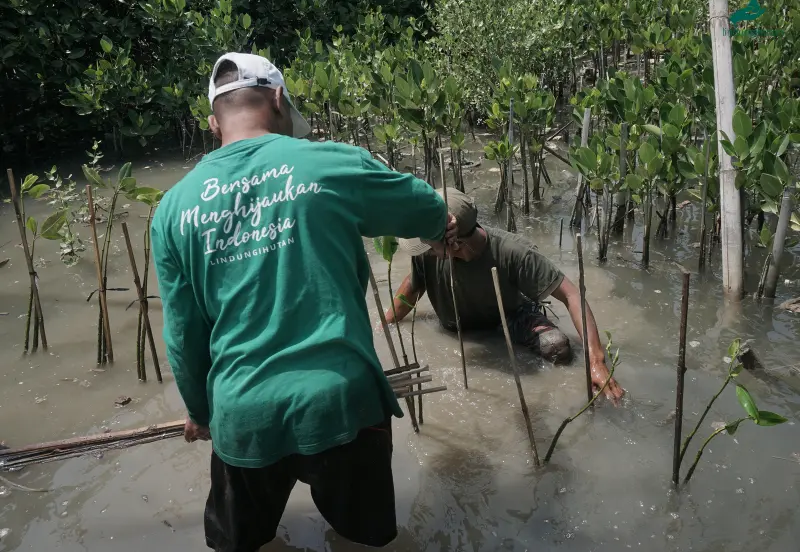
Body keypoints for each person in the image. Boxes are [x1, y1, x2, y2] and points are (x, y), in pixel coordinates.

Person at [150, 52, 457, 552]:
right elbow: (428, 210)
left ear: (213, 123)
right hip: (342, 405)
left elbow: (183, 336)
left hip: (242, 413)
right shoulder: (330, 161)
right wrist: (436, 231)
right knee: (366, 543)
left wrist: (202, 413)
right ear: (277, 99)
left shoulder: (172, 210)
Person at [384, 189, 625, 402]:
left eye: (429, 245)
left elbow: (571, 295)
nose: (424, 248)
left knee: (558, 347)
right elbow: (413, 287)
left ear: (454, 244)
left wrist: (596, 362)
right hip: (456, 327)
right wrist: (385, 323)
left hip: (509, 319)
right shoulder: (426, 252)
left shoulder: (514, 252)